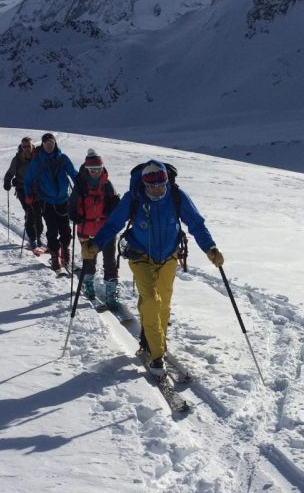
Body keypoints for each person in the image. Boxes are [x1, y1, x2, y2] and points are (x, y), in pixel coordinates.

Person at [86, 159, 224, 378]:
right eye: (151, 186)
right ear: (144, 184)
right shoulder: (134, 199)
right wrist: (96, 244)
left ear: (167, 181)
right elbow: (113, 224)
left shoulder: (177, 197)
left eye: (161, 184)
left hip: (169, 257)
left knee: (163, 305)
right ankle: (156, 353)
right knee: (151, 300)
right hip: (140, 256)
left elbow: (196, 224)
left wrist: (210, 248)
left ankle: (150, 339)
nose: (157, 189)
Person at [68, 149, 120, 305]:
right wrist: (73, 214)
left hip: (105, 230)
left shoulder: (107, 185)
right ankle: (88, 285)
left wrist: (115, 207)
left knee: (110, 261)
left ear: (102, 168)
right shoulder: (80, 185)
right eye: (92, 169)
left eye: (98, 169)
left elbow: (115, 205)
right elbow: (72, 204)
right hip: (86, 228)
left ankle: (111, 293)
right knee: (89, 259)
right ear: (87, 169)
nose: (96, 172)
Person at [23, 132, 78, 271]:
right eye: (47, 144)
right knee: (52, 230)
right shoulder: (37, 160)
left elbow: (73, 173)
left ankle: (65, 252)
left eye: (51, 144)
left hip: (63, 200)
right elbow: (28, 179)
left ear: (55, 144)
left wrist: (82, 188)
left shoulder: (62, 158)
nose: (49, 146)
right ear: (42, 144)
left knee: (65, 229)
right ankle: (55, 257)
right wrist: (28, 194)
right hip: (46, 201)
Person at [3, 136, 45, 250]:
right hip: (22, 189)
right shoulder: (17, 159)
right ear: (21, 147)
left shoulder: (38, 157)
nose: (26, 148)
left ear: (32, 146)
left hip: (37, 190)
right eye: (24, 146)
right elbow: (10, 172)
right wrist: (7, 182)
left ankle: (38, 236)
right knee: (30, 213)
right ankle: (32, 238)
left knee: (39, 214)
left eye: (28, 146)